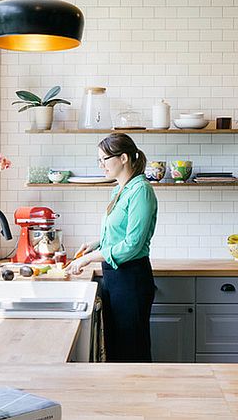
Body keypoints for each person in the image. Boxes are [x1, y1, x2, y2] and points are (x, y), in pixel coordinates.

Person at [64, 133, 158, 362]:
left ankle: (137, 395)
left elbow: (132, 245)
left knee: (132, 350)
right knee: (116, 348)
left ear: (123, 158)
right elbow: (120, 234)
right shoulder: (120, 190)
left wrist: (88, 259)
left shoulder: (140, 191)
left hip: (131, 278)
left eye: (104, 159)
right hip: (115, 277)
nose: (101, 165)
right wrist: (95, 244)